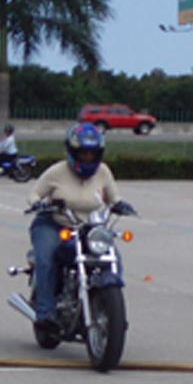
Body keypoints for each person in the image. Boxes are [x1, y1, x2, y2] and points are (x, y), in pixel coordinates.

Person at [26, 122, 123, 331]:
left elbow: (114, 197)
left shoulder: (103, 171)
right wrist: (38, 203)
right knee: (47, 259)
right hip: (54, 224)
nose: (88, 158)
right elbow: (34, 193)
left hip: (89, 228)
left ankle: (110, 308)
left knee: (112, 257)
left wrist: (120, 205)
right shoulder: (57, 172)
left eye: (92, 153)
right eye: (83, 153)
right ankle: (45, 312)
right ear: (72, 152)